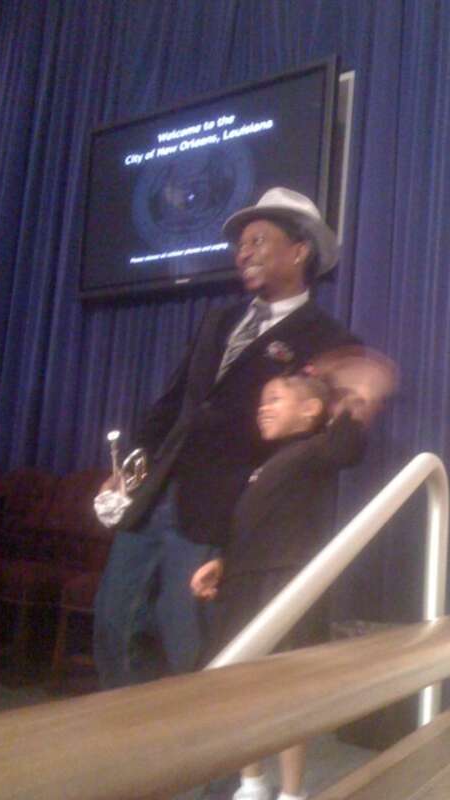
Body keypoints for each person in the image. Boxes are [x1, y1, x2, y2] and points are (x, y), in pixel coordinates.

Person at [93, 187, 360, 688]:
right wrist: (129, 469)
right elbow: (172, 402)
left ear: (299, 251)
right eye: (240, 244)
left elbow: (336, 446)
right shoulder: (218, 319)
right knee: (113, 621)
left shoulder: (329, 338)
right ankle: (126, 741)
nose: (243, 252)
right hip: (156, 495)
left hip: (220, 511)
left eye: (258, 240)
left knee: (188, 639)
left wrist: (359, 398)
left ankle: (203, 761)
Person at [191, 370, 370, 800]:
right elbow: (250, 524)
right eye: (262, 401)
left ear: (310, 410)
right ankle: (251, 781)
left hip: (286, 580)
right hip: (244, 580)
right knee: (242, 685)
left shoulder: (316, 451)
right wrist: (222, 561)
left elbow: (349, 446)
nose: (262, 407)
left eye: (275, 399)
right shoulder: (264, 464)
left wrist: (355, 399)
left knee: (287, 688)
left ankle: (292, 791)